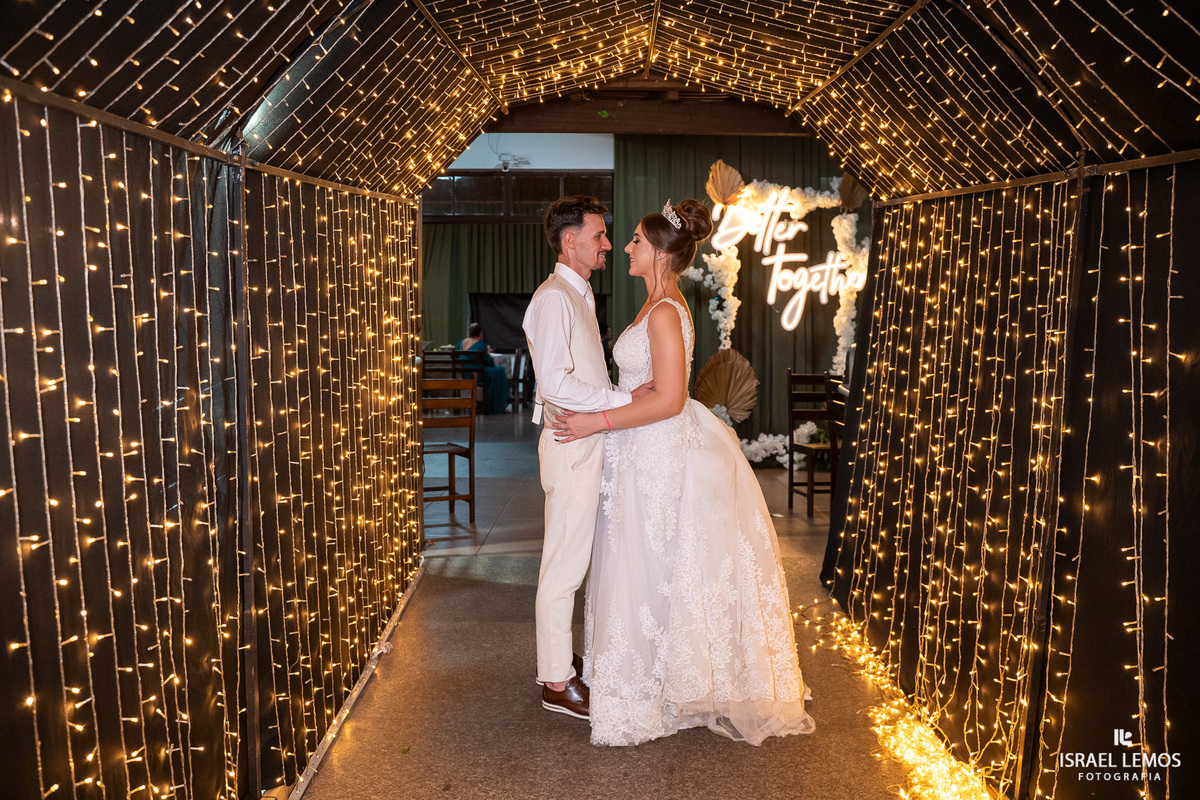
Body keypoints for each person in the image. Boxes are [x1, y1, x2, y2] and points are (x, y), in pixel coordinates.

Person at [555, 199, 816, 747]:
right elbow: (653, 385)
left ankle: (654, 690)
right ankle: (659, 681)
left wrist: (594, 421)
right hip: (640, 448)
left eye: (636, 241)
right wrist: (625, 398)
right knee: (649, 568)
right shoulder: (654, 305)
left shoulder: (666, 312)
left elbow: (671, 399)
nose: (625, 248)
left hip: (659, 452)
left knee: (653, 565)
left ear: (661, 253)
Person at [522, 195, 651, 720]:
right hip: (572, 446)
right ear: (569, 240)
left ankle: (557, 661)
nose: (608, 245)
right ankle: (556, 682)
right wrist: (622, 400)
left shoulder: (578, 294)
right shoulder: (555, 298)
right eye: (598, 235)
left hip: (583, 438)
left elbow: (572, 376)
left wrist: (608, 401)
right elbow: (555, 382)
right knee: (564, 565)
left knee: (573, 559)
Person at [458, 322, 510, 414]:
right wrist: (488, 353)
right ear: (480, 334)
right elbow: (489, 362)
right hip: (478, 374)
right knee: (500, 371)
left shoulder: (460, 343)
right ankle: (496, 404)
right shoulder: (480, 345)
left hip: (463, 373)